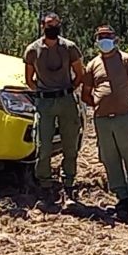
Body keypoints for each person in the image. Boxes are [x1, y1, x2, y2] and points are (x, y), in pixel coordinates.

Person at [22, 12, 88, 202]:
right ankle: (45, 184)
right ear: (42, 26)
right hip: (44, 103)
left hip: (66, 100)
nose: (53, 27)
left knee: (70, 144)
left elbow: (79, 73)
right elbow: (29, 79)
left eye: (56, 24)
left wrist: (68, 90)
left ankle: (69, 183)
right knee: (43, 145)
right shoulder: (32, 50)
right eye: (49, 24)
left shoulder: (69, 48)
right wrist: (44, 93)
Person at [83, 23, 128, 219]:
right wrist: (99, 105)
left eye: (108, 36)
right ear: (96, 41)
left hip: (124, 118)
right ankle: (122, 198)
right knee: (110, 159)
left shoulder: (127, 60)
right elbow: (86, 93)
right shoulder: (93, 64)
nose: (104, 40)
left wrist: (126, 103)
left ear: (115, 39)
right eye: (100, 37)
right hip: (102, 121)